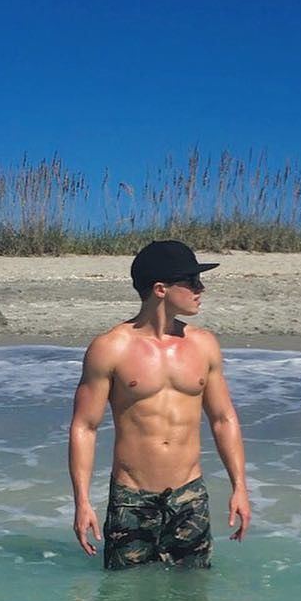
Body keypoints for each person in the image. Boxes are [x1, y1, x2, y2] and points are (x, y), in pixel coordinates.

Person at [68, 240, 251, 569]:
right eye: (192, 281)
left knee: (193, 592)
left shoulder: (204, 345)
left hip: (190, 498)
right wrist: (82, 502)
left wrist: (240, 488)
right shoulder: (110, 348)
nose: (201, 289)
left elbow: (223, 418)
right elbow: (85, 426)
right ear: (160, 289)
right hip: (131, 499)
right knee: (123, 594)